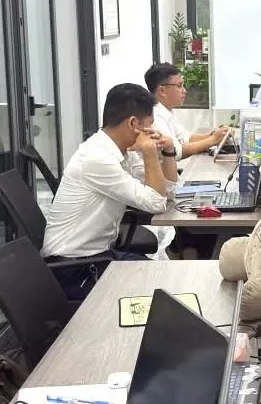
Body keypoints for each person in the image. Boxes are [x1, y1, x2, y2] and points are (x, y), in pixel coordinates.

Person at [43, 84, 173, 296]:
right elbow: (157, 202)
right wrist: (149, 151)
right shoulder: (97, 158)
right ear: (133, 124)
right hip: (74, 270)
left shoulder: (121, 151)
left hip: (100, 256)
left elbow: (167, 191)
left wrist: (169, 151)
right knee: (162, 286)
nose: (152, 133)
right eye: (149, 126)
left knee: (167, 276)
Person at [129, 64, 229, 182]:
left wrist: (215, 134)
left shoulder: (167, 111)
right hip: (162, 184)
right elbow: (177, 152)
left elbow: (185, 137)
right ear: (162, 90)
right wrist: (213, 140)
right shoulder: (155, 117)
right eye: (179, 86)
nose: (184, 90)